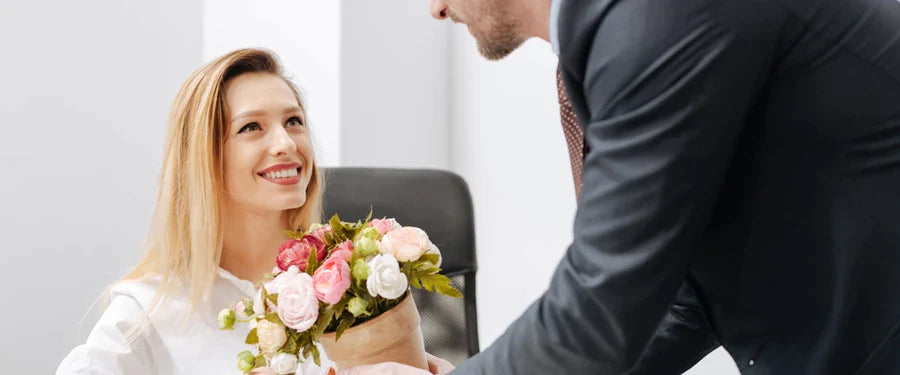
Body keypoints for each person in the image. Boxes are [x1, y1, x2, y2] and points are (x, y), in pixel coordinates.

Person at [345, 0, 900, 373]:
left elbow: (604, 301)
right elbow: (680, 293)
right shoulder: (620, 33)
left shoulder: (654, 22)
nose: (437, 9)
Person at [57, 48, 334, 375]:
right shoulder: (145, 317)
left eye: (293, 121)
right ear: (204, 158)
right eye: (251, 127)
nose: (287, 143)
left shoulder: (354, 288)